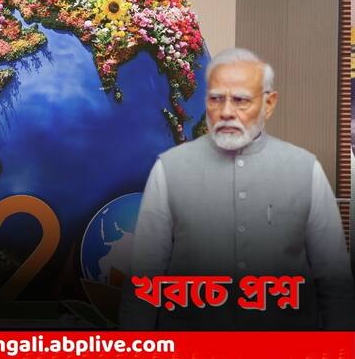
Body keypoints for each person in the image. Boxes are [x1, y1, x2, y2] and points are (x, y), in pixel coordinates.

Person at [119, 48, 355, 330]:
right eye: (216, 99)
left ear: (268, 104)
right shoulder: (169, 169)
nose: (227, 112)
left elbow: (335, 282)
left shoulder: (305, 169)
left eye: (241, 100)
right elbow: (144, 279)